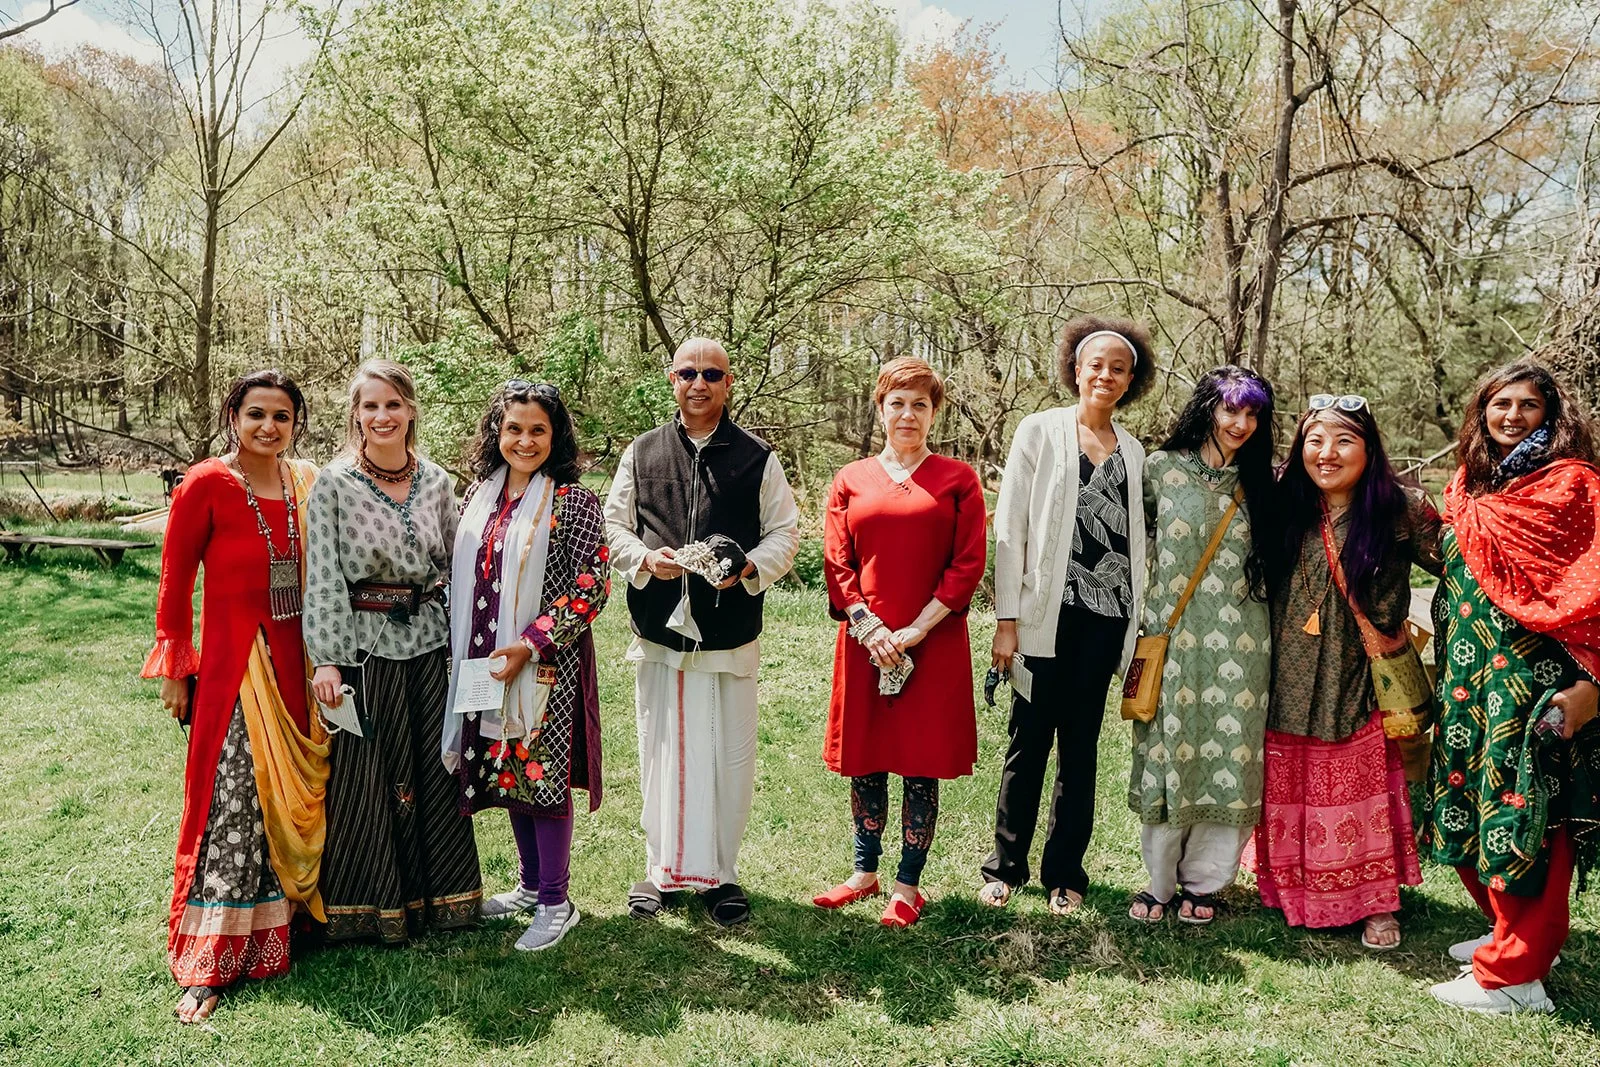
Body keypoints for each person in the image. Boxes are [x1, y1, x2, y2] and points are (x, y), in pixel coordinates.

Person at [143, 370, 328, 1024]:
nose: (268, 427)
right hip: (234, 670)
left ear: (295, 424)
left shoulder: (307, 483)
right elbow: (174, 580)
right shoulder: (206, 484)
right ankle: (212, 955)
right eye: (256, 414)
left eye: (281, 416)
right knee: (234, 801)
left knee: (289, 799)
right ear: (233, 416)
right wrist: (175, 665)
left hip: (299, 667)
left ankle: (282, 927)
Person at [1421, 362, 1600, 1014]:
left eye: (1529, 405)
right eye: (1501, 403)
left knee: (1526, 818)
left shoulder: (1573, 487)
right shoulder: (1469, 486)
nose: (1512, 416)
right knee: (1470, 808)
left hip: (1533, 686)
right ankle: (1508, 934)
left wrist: (1595, 684)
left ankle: (1516, 977)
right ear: (1482, 410)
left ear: (1552, 415)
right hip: (1469, 683)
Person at [603, 336, 800, 926]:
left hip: (727, 634)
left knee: (727, 758)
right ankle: (660, 870)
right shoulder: (642, 452)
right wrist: (645, 559)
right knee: (659, 751)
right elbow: (614, 526)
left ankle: (721, 874)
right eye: (688, 372)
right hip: (660, 633)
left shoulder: (758, 458)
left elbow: (785, 533)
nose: (699, 383)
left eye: (712, 374)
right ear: (672, 378)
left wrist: (748, 567)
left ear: (728, 383)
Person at [1249, 395, 1441, 950]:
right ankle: (1293, 889)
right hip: (1286, 675)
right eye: (1315, 441)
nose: (1326, 454)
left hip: (1361, 676)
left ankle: (1375, 902)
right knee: (1289, 776)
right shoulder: (1283, 501)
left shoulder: (1401, 508)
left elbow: (1461, 566)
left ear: (1369, 449)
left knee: (1362, 781)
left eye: (1343, 441)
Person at [982, 317, 1158, 915]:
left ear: (1131, 381)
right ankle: (1005, 867)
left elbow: (1136, 544)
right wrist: (1007, 620)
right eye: (1096, 365)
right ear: (1076, 370)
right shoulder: (1039, 430)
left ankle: (1065, 874)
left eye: (1118, 368)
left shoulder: (1134, 452)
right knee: (1027, 743)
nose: (1106, 375)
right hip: (1042, 617)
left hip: (1105, 622)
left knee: (1080, 751)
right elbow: (1010, 530)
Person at [304, 359, 481, 941]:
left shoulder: (437, 482)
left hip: (428, 642)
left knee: (434, 768)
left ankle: (444, 900)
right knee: (370, 777)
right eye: (371, 406)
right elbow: (323, 576)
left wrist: (469, 643)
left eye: (393, 404)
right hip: (364, 648)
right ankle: (372, 908)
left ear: (411, 411)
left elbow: (457, 566)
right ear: (356, 415)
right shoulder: (333, 484)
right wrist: (327, 659)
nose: (382, 416)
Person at [813, 357, 987, 927]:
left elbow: (967, 564)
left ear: (934, 413)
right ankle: (863, 873)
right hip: (866, 641)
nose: (907, 414)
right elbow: (837, 561)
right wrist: (870, 628)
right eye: (897, 403)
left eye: (920, 404)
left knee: (919, 760)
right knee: (866, 756)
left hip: (932, 642)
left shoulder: (958, 480)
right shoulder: (851, 479)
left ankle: (908, 886)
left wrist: (916, 629)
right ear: (880, 409)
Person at [444, 381, 610, 953]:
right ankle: (531, 885)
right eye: (514, 428)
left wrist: (530, 642)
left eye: (538, 429)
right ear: (497, 432)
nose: (525, 440)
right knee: (509, 770)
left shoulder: (574, 502)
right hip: (486, 660)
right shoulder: (479, 497)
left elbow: (592, 587)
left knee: (542, 777)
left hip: (545, 666)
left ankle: (557, 903)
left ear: (555, 435)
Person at [1127, 367, 1278, 925]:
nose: (1241, 423)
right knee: (1169, 750)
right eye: (1230, 409)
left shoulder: (1266, 483)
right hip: (1170, 639)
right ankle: (1159, 883)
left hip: (1244, 645)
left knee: (1230, 756)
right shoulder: (1160, 469)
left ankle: (1206, 884)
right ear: (1207, 408)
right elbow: (1131, 545)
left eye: (1253, 414)